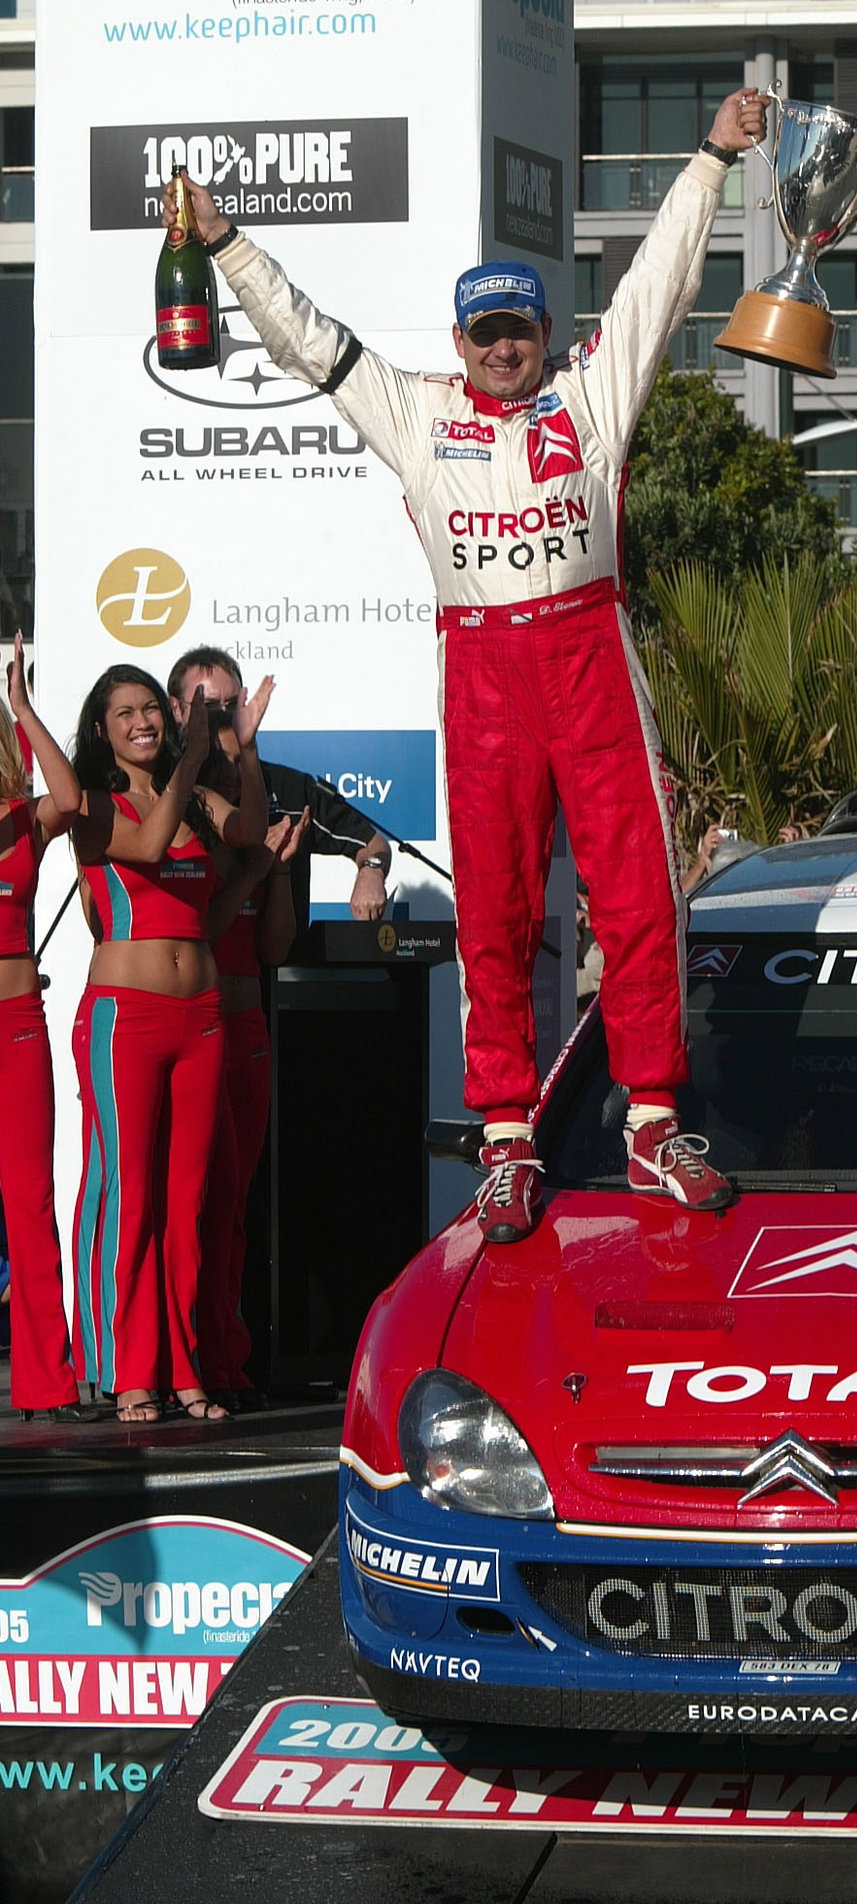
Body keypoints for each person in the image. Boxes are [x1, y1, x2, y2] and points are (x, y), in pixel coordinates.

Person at [170, 88, 768, 1242]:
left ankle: (652, 1117)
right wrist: (229, 245)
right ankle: (506, 1136)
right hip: (484, 670)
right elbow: (305, 336)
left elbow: (655, 289)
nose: (504, 348)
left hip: (588, 650)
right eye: (486, 333)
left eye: (521, 330)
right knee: (490, 909)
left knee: (637, 893)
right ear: (458, 343)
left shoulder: (593, 396)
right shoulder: (414, 409)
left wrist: (709, 160)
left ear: (547, 334)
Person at [68, 664, 271, 1422]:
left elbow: (247, 833)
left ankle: (186, 1369)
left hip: (205, 1015)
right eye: (124, 714)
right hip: (127, 1015)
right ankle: (127, 1370)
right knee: (131, 1196)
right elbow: (150, 848)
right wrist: (190, 756)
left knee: (191, 1201)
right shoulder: (93, 805)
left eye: (151, 707)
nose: (141, 721)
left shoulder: (197, 797)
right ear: (102, 729)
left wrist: (242, 753)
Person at [199, 766, 308, 1409]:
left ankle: (228, 1357)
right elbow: (199, 931)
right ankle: (201, 1357)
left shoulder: (257, 852)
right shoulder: (188, 843)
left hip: (249, 1028)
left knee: (235, 1206)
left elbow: (273, 949)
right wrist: (250, 866)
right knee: (203, 1206)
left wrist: (279, 872)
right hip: (198, 1024)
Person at [0, 638, 87, 1421]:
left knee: (28, 1200)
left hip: (17, 1021)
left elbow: (70, 797)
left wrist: (23, 707)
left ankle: (46, 1384)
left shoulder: (23, 819)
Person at [168, 649, 391, 931]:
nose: (223, 715)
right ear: (176, 709)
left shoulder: (288, 789)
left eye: (233, 704)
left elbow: (371, 843)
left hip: (280, 968)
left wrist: (371, 871)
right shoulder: (164, 791)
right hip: (186, 964)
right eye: (210, 706)